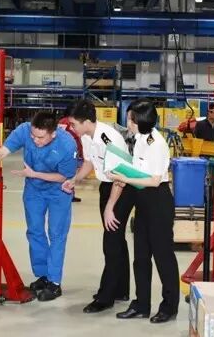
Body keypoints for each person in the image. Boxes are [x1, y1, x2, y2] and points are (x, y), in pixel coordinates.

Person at [0, 111, 77, 302]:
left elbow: (65, 177)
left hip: (59, 191)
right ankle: (43, 275)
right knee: (35, 232)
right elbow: (0, 153)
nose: (35, 140)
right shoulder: (24, 131)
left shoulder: (67, 144)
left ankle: (54, 282)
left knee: (57, 234)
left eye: (40, 137)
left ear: (53, 134)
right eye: (33, 136)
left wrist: (34, 174)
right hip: (34, 190)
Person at [107, 99, 179, 324]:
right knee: (140, 257)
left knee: (163, 257)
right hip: (142, 200)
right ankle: (141, 304)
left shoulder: (156, 144)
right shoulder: (139, 139)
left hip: (158, 201)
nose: (128, 123)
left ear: (143, 122)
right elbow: (138, 171)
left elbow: (155, 180)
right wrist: (122, 172)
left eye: (131, 120)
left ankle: (169, 307)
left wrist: (124, 178)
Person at [61, 100, 133, 314]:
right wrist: (74, 180)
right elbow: (89, 163)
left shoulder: (109, 138)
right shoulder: (86, 136)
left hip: (121, 188)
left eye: (73, 124)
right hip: (107, 186)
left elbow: (121, 175)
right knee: (116, 240)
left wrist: (110, 207)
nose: (71, 127)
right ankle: (121, 289)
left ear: (86, 121)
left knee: (110, 242)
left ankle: (106, 297)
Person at [58, 113, 84, 203]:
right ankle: (68, 194)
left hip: (67, 150)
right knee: (70, 173)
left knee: (68, 173)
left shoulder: (61, 122)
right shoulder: (69, 122)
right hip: (72, 150)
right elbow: (77, 134)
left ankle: (70, 194)